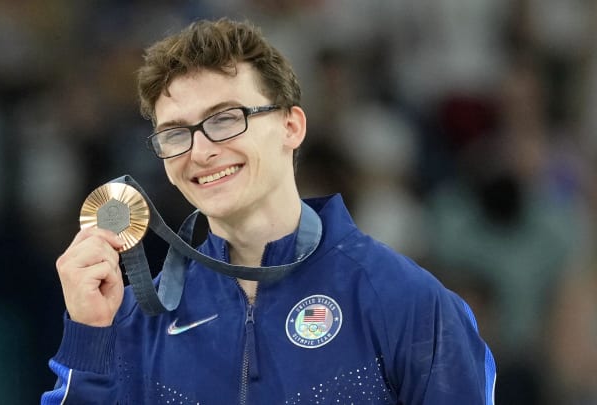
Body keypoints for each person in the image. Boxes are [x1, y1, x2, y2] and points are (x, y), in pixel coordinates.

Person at [41, 18, 496, 404]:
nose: (200, 151)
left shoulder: (405, 301)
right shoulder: (138, 325)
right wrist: (89, 336)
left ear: (291, 126)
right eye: (176, 133)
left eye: (225, 118)